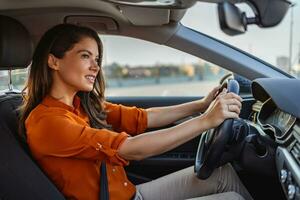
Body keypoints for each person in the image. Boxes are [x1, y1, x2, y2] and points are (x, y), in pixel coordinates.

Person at [19, 23, 252, 200]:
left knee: (224, 175)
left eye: (97, 58)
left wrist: (201, 105)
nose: (95, 66)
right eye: (85, 56)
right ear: (54, 62)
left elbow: (144, 117)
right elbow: (132, 149)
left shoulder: (81, 106)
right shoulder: (47, 121)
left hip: (131, 194)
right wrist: (205, 121)